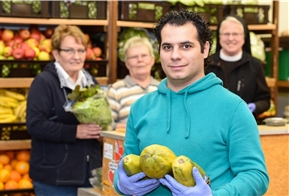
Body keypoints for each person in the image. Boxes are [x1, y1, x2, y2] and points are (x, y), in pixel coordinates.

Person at [113, 10, 269, 196]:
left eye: (186, 46)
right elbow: (126, 164)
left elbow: (255, 175)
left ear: (205, 49)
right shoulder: (141, 107)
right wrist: (121, 184)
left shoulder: (233, 108)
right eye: (167, 47)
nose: (175, 55)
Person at [26, 24, 102, 196]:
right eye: (69, 50)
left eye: (81, 50)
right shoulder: (44, 82)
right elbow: (35, 125)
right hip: (55, 179)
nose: (76, 56)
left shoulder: (90, 82)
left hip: (89, 174)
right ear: (56, 54)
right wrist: (75, 131)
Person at [205, 15, 271, 119]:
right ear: (219, 37)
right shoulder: (208, 64)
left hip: (245, 122)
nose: (230, 38)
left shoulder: (254, 65)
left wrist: (255, 107)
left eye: (235, 34)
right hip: (212, 122)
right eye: (226, 34)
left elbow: (265, 100)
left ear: (244, 37)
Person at [107, 36, 159, 126]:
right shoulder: (115, 90)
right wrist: (128, 127)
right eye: (134, 57)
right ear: (127, 64)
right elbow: (106, 125)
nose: (140, 60)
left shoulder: (162, 88)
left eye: (144, 55)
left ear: (152, 60)